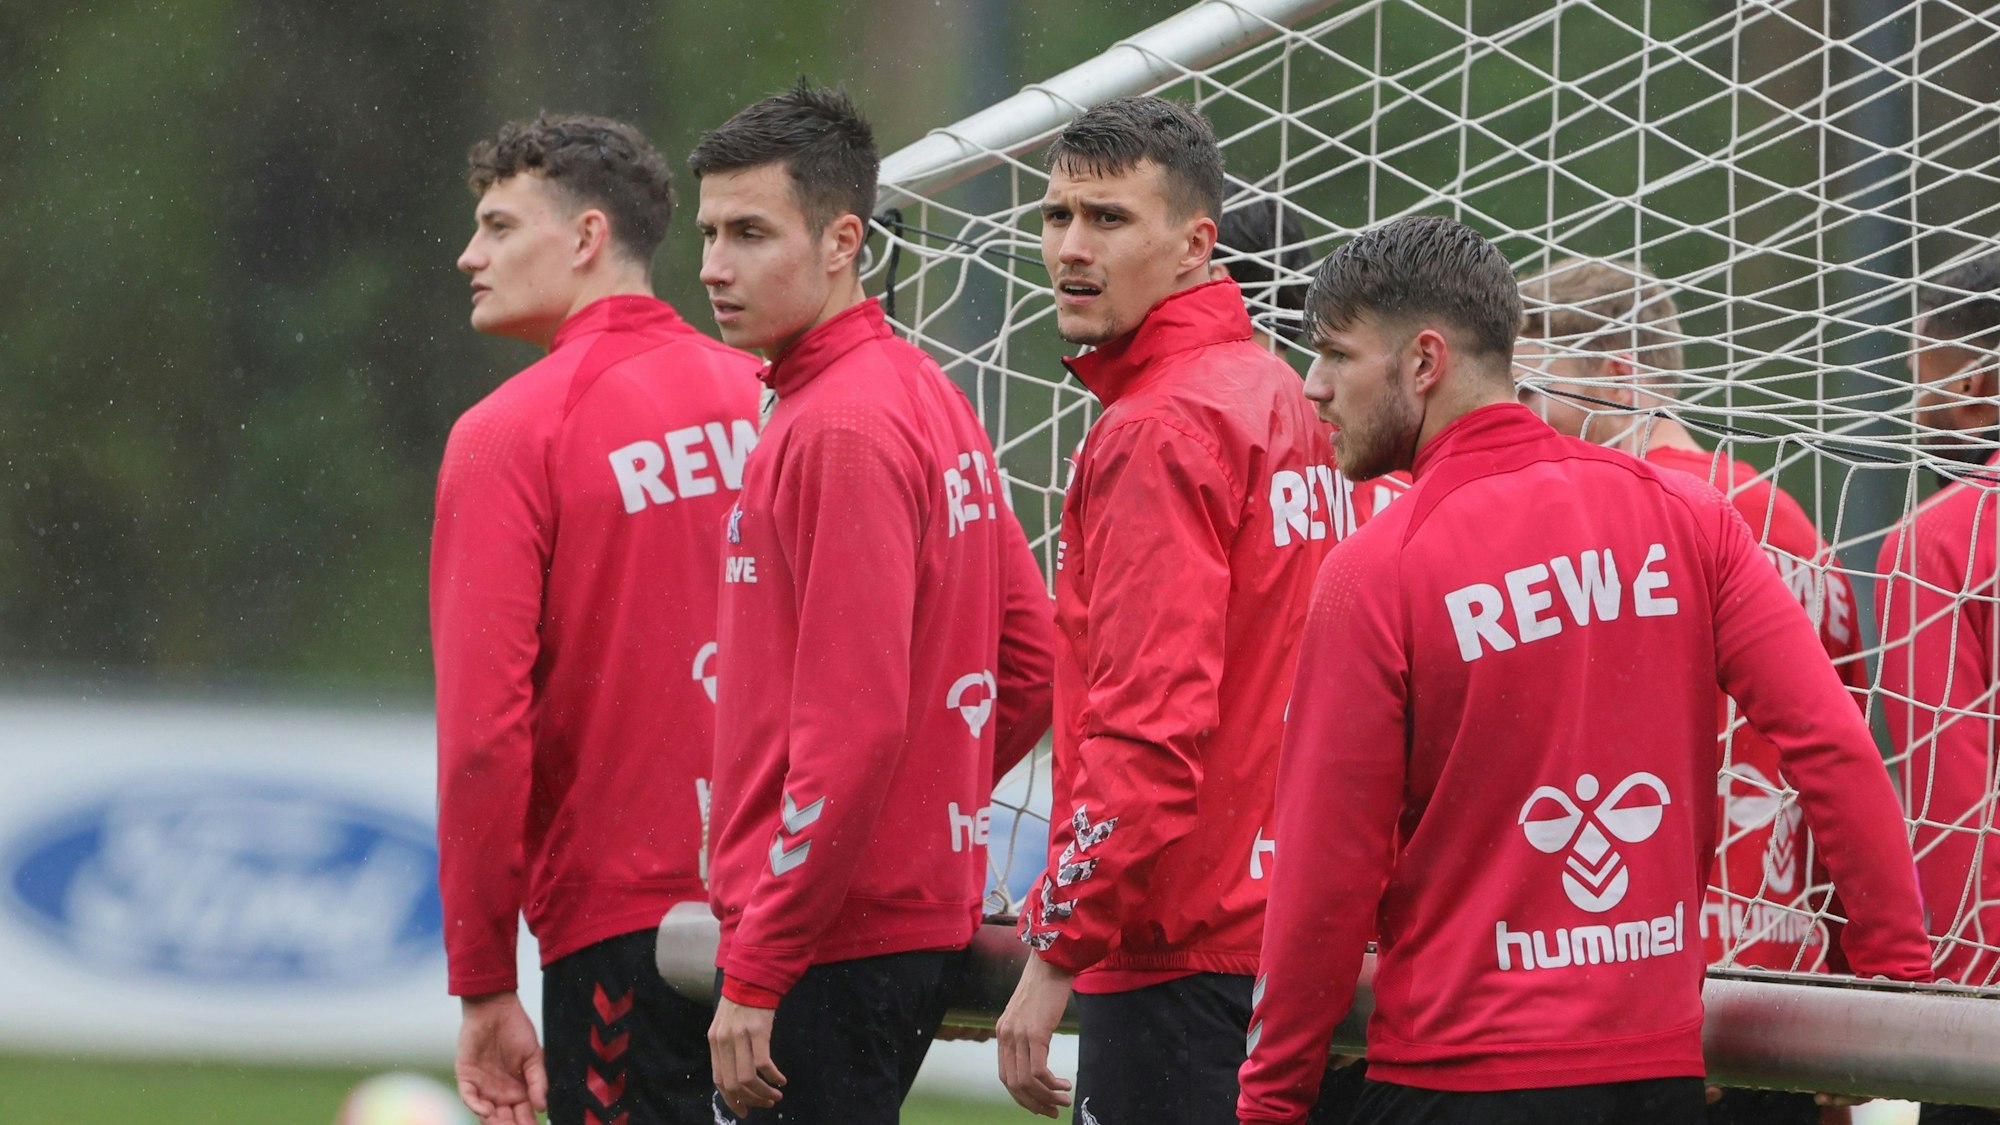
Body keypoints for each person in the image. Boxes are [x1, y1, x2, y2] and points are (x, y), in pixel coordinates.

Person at [1237, 215, 1933, 1125]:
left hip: (1461, 1076)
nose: (1313, 387)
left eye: (1334, 354)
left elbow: (1324, 874)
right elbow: (1835, 743)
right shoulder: (1692, 515)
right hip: (1661, 1081)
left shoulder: (1377, 566)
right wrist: (1894, 985)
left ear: (1423, 362)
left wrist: (1271, 1098)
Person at [691, 80, 1055, 1124]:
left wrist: (760, 965)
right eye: (710, 232)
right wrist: (912, 823)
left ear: (843, 239)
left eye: (751, 233)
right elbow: (1026, 657)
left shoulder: (837, 426)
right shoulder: (918, 385)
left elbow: (853, 729)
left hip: (820, 935)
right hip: (888, 918)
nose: (716, 266)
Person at [993, 96, 1347, 1125]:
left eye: (1107, 220)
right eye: (1056, 216)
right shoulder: (1276, 393)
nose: (1069, 246)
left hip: (1178, 949)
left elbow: (1151, 728)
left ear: (1198, 245)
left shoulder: (1159, 427)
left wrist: (1060, 944)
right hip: (1288, 927)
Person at [434, 114, 763, 1125]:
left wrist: (484, 980)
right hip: (808, 918)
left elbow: (485, 740)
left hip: (633, 924)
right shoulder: (775, 394)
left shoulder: (508, 433)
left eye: (495, 226)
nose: (468, 255)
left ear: (583, 239)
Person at [1516, 258, 1873, 1125]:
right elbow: (1840, 760)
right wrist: (1850, 979)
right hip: (1786, 996)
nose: (1517, 418)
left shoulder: (1590, 520)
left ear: (1620, 374)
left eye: (1531, 391)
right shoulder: (1786, 519)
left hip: (1627, 983)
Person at [1876, 251, 2000, 1124]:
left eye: (1921, 387)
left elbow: (1948, 797)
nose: (1915, 414)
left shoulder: (1943, 542)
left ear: (1972, 387)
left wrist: (1965, 1002)